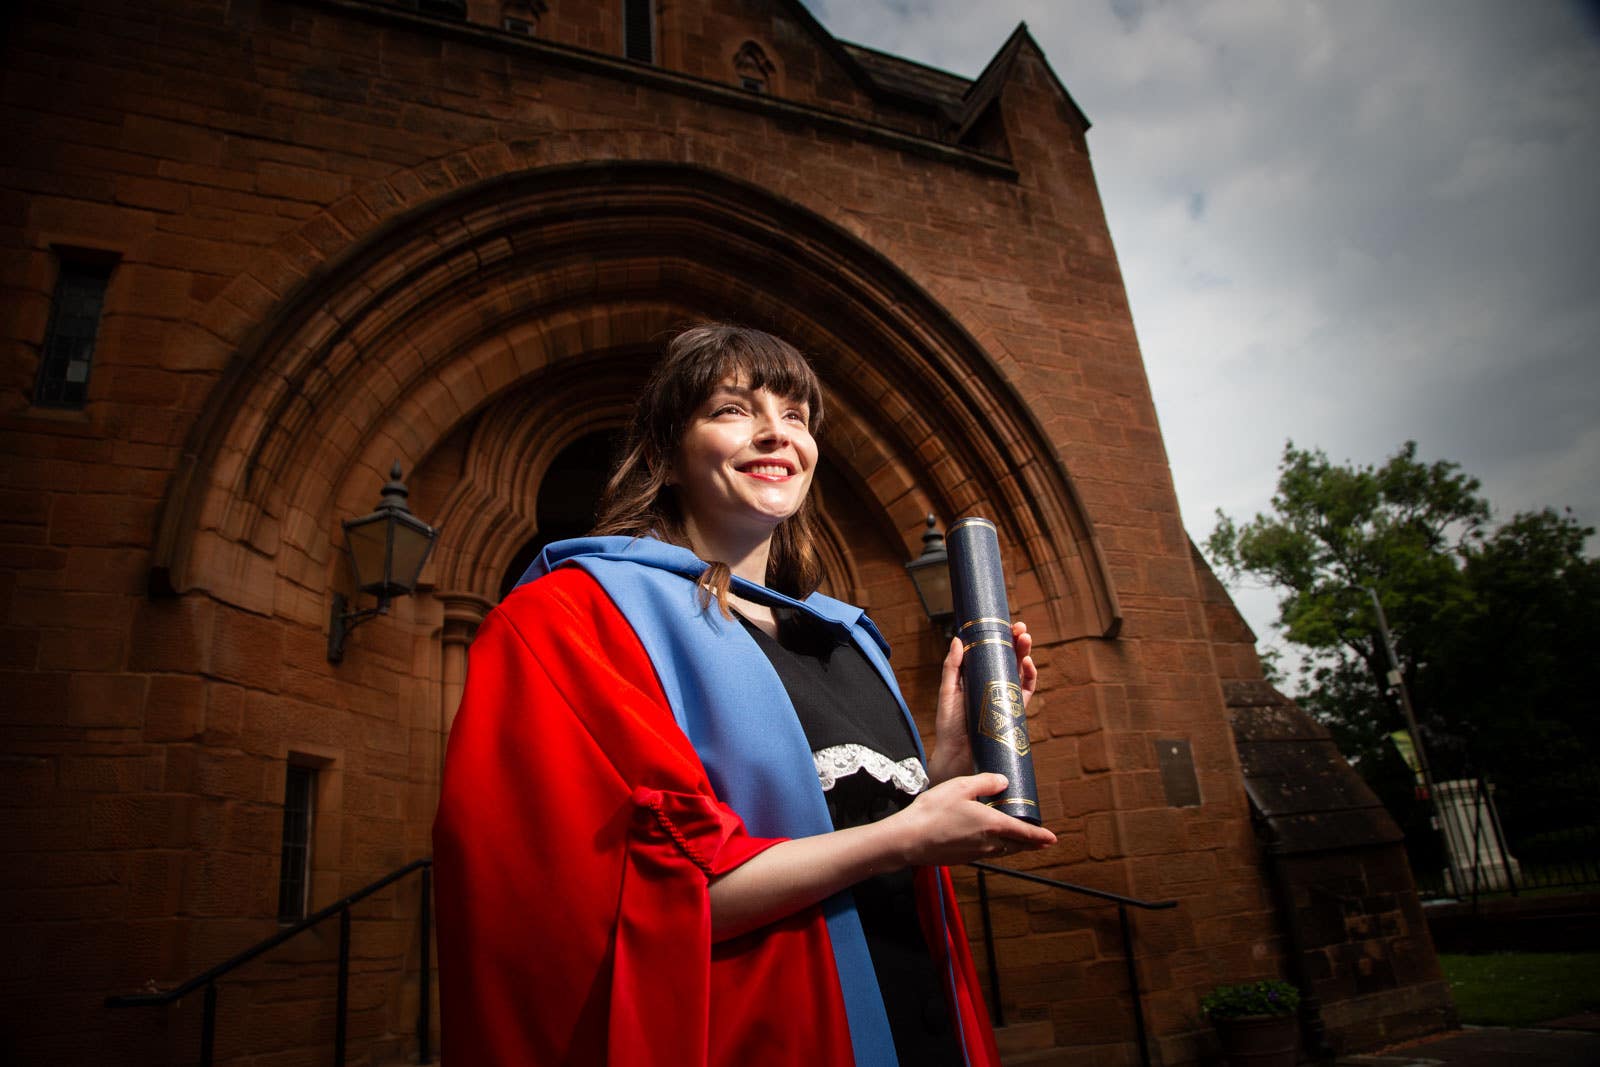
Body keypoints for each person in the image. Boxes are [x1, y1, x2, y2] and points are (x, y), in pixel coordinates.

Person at [433, 323, 1055, 1066]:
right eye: (734, 409)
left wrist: (948, 767)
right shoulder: (574, 615)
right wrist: (905, 835)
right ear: (664, 455)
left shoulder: (844, 635)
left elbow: (869, 842)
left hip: (920, 1013)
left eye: (796, 415)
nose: (775, 433)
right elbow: (649, 897)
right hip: (764, 1033)